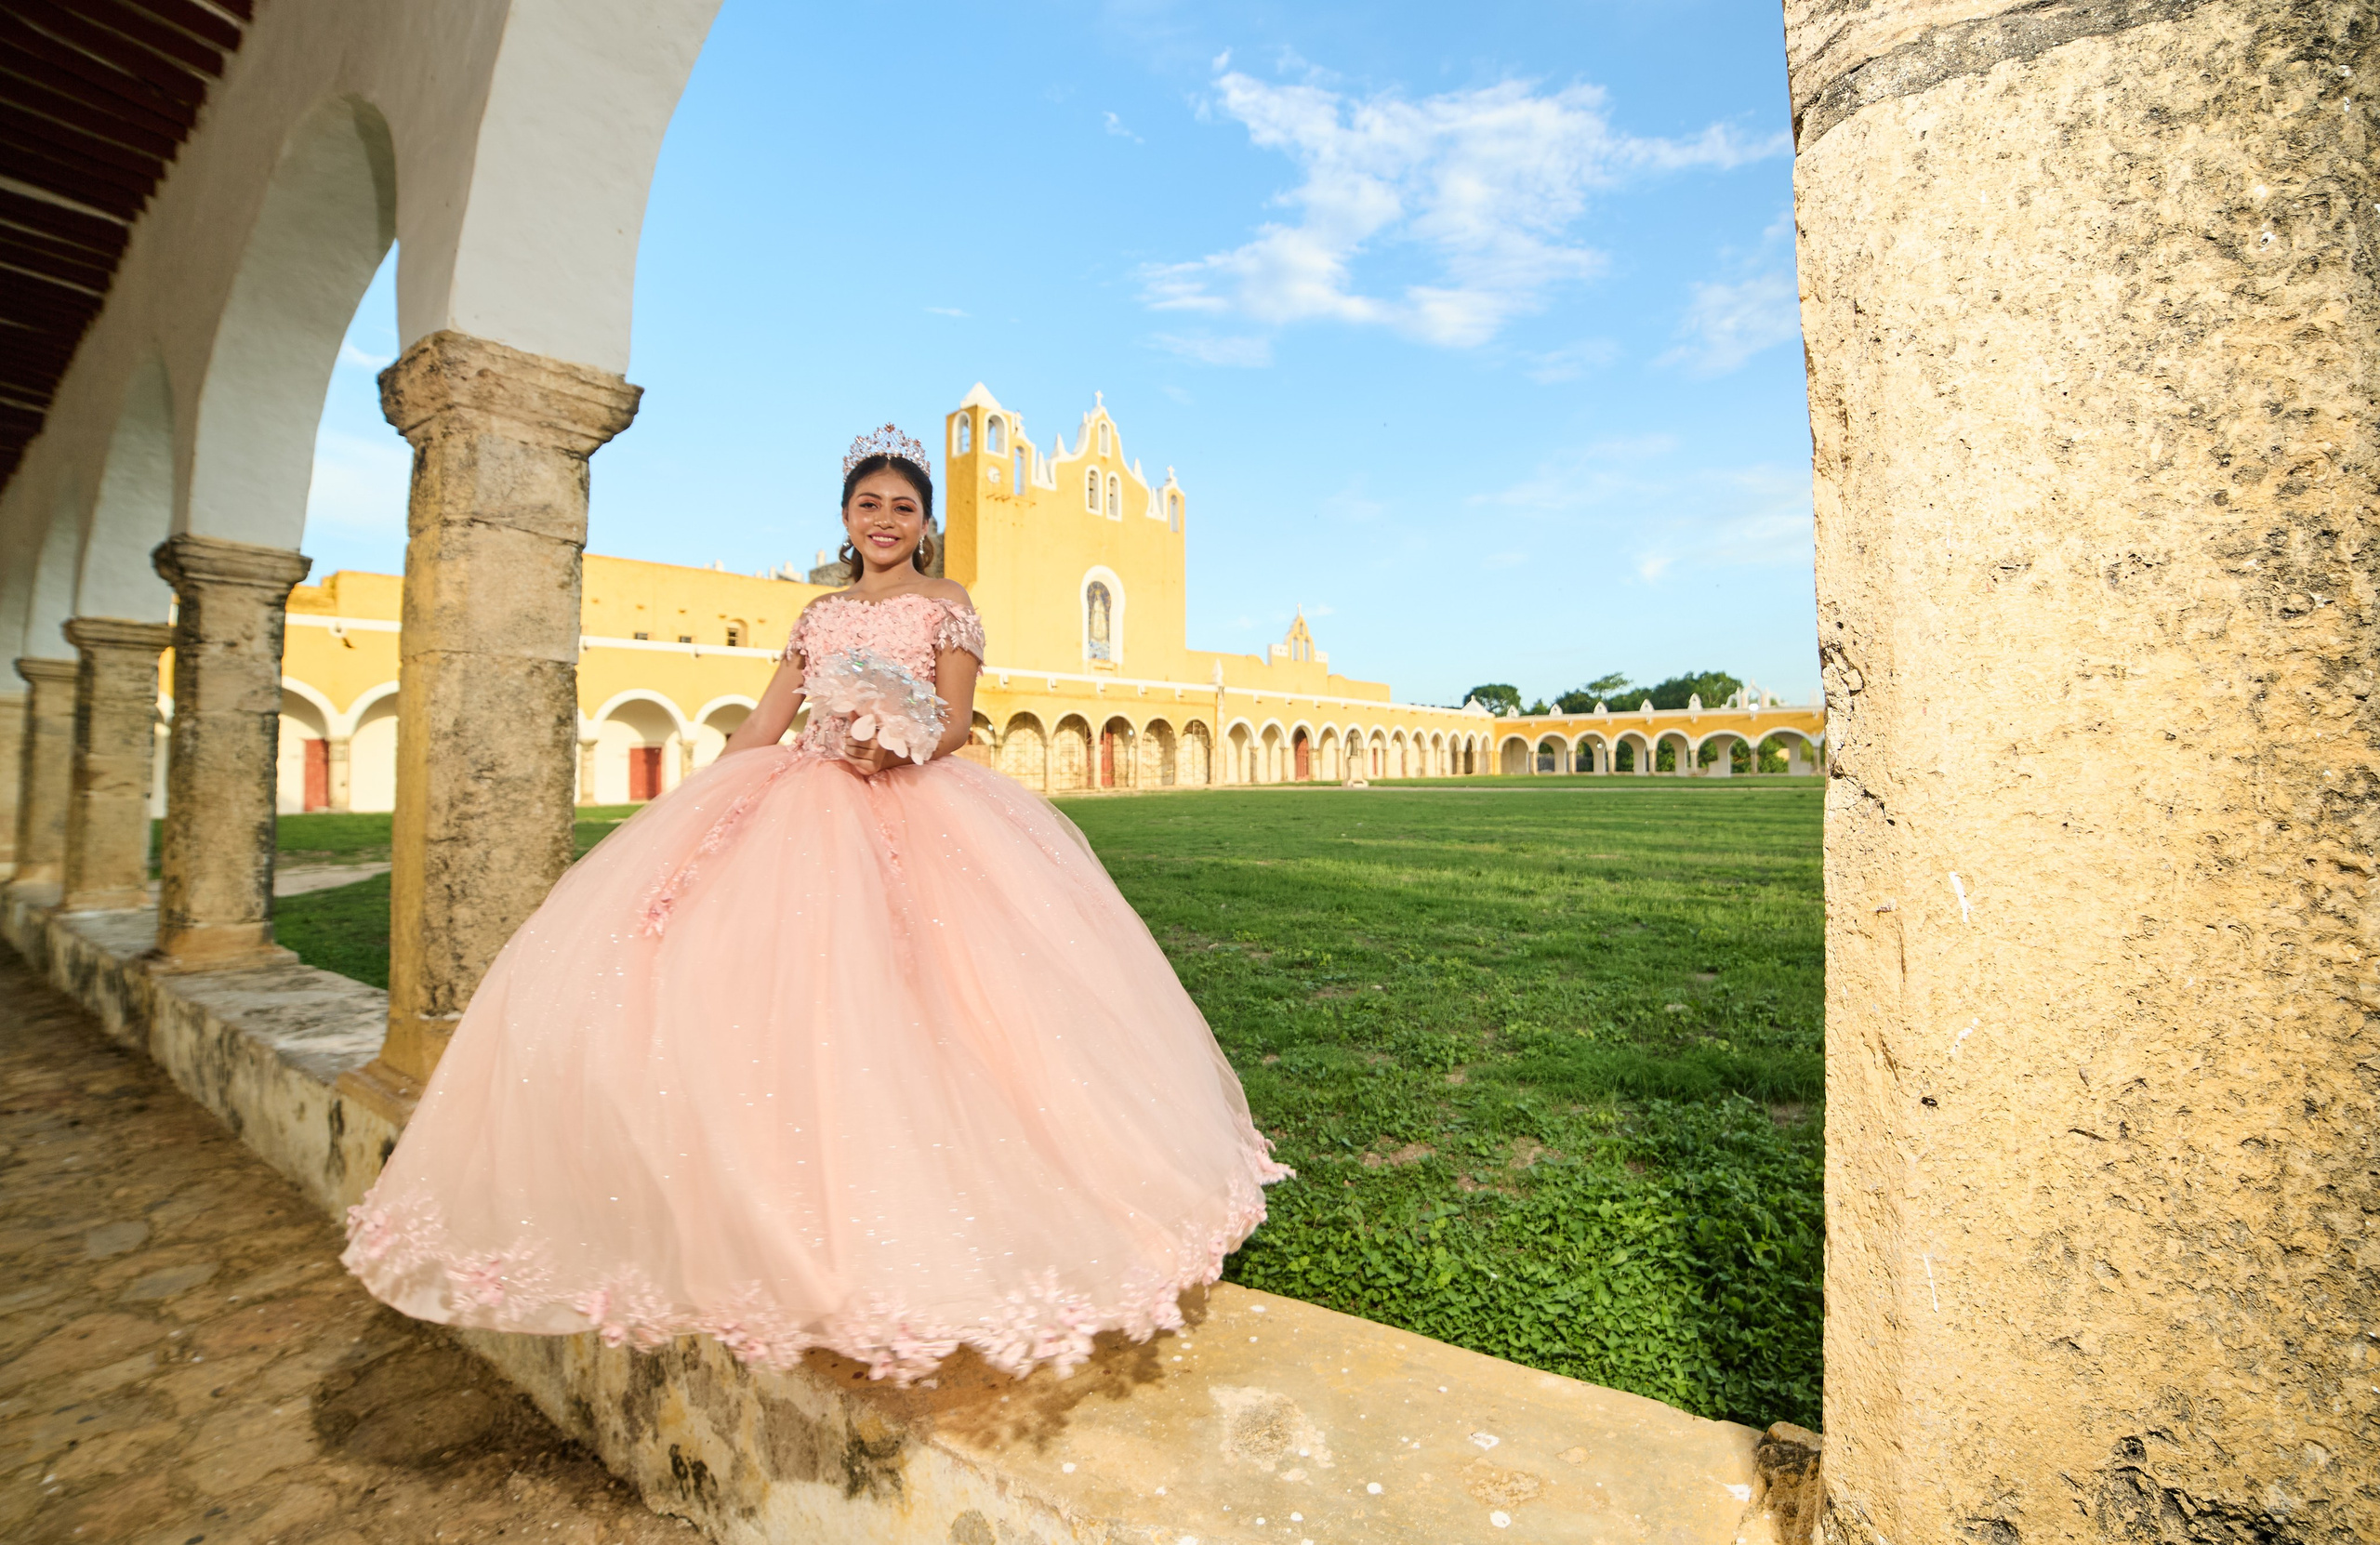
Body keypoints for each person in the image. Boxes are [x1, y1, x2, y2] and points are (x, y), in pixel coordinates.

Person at [343, 425, 1289, 1383]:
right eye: (869, 504)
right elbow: (768, 716)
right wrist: (701, 799)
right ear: (845, 516)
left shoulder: (946, 604)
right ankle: (774, 1220)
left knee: (942, 998)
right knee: (774, 993)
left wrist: (900, 743)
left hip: (917, 803)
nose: (886, 521)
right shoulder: (817, 616)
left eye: (904, 507)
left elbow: (956, 720)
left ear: (925, 525)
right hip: (805, 797)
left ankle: (943, 1209)